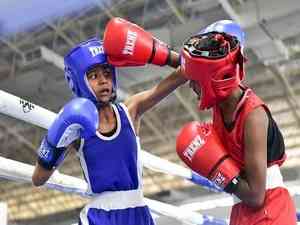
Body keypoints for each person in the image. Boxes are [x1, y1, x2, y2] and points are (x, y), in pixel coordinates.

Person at [32, 18, 187, 225]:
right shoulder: (76, 125)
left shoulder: (130, 110)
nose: (103, 80)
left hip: (138, 214)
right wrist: (53, 143)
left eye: (106, 72)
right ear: (80, 81)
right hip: (99, 217)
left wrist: (171, 58)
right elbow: (38, 179)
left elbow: (183, 73)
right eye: (94, 76)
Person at [176, 20, 297, 225]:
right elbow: (192, 66)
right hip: (241, 208)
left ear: (210, 79)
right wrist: (158, 53)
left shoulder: (253, 116)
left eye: (194, 79)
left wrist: (217, 172)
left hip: (269, 208)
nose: (190, 86)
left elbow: (256, 197)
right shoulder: (220, 104)